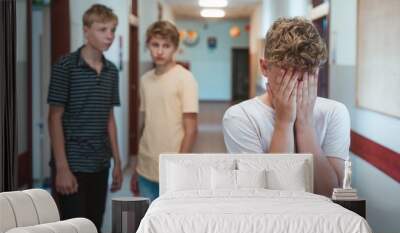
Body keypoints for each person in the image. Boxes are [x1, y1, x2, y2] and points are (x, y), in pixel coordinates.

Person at [223, 17, 350, 197]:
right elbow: (268, 195)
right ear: (265, 67)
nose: (298, 86)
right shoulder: (240, 117)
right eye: (289, 76)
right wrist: (283, 123)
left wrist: (305, 126)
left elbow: (330, 192)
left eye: (307, 76)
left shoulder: (335, 113)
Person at [48, 4, 122, 232]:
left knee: (94, 227)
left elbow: (109, 118)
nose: (109, 36)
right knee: (71, 232)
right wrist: (62, 167)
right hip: (72, 164)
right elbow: (54, 118)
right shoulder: (66, 66)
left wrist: (117, 162)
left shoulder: (111, 70)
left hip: (100, 162)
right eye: (102, 30)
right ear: (86, 31)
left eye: (112, 30)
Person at [131, 21, 199, 201]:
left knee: (170, 223)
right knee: (148, 221)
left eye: (166, 46)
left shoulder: (185, 79)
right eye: (155, 45)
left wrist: (180, 168)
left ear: (175, 48)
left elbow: (191, 130)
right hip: (145, 167)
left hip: (172, 168)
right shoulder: (145, 80)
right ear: (148, 46)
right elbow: (145, 125)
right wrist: (136, 167)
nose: (160, 51)